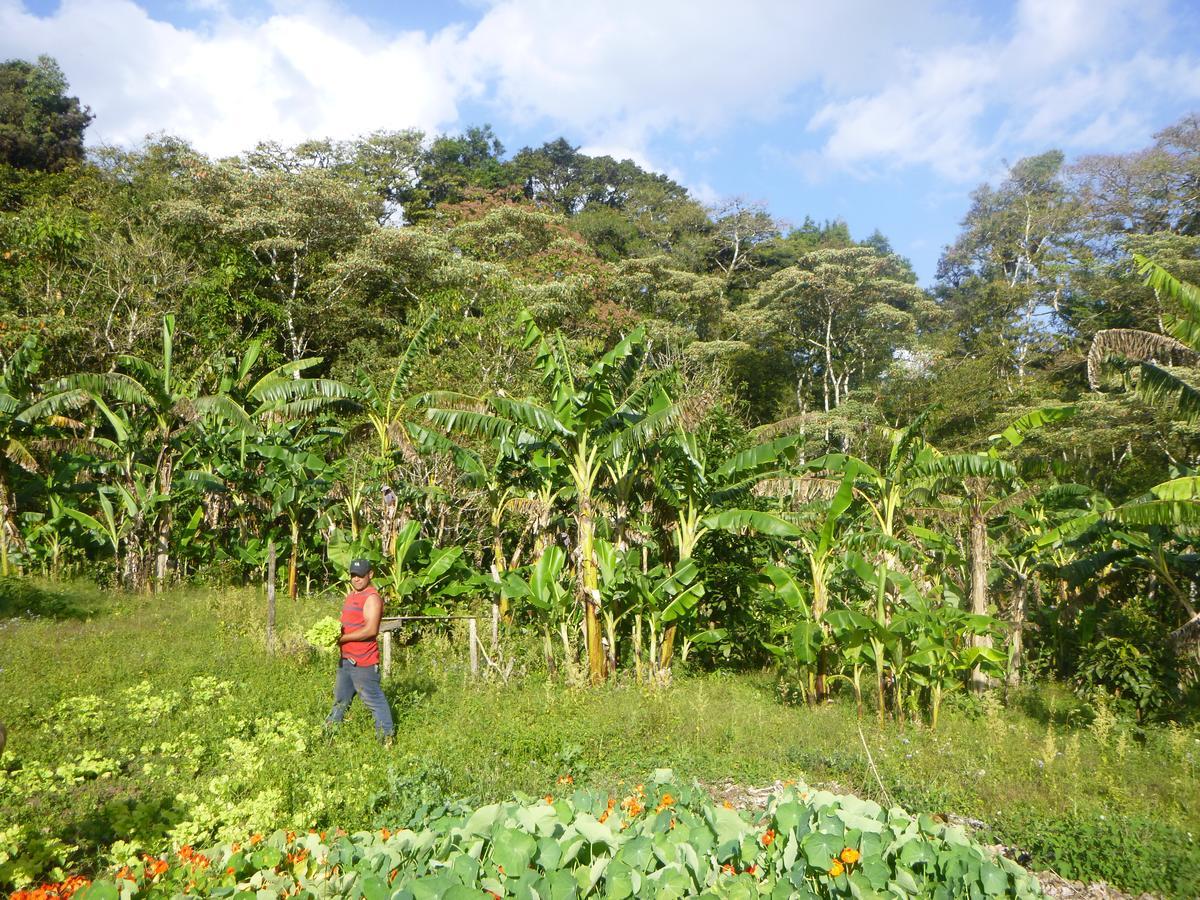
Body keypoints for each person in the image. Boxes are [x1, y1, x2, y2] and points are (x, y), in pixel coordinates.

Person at [325, 558, 394, 741]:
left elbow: (371, 630)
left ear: (370, 575)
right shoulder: (352, 595)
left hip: (363, 661)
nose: (356, 579)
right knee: (340, 700)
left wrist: (342, 638)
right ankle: (328, 736)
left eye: (360, 576)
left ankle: (386, 739)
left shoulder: (372, 598)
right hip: (346, 659)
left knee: (374, 700)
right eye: (353, 575)